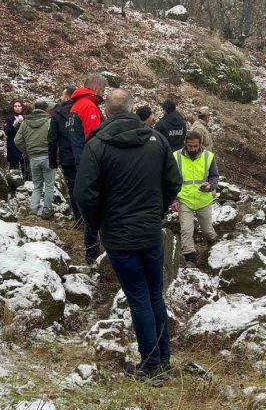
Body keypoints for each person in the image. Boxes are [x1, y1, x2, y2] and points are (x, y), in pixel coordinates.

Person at [75, 88, 182, 382]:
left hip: (120, 234)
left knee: (139, 298)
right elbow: (174, 182)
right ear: (133, 109)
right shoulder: (156, 140)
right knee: (153, 295)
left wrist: (97, 224)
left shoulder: (97, 144)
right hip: (148, 232)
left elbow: (84, 193)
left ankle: (152, 366)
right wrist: (156, 211)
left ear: (107, 111)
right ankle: (162, 360)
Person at [70, 73, 108, 262]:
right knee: (96, 207)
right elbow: (95, 140)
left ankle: (93, 249)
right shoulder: (88, 107)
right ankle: (94, 251)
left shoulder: (75, 106)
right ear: (96, 87)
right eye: (103, 89)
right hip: (91, 165)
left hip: (80, 162)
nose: (103, 93)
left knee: (90, 206)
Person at [171, 131, 219, 268]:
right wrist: (173, 200)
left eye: (195, 146)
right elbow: (170, 180)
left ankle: (214, 245)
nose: (192, 149)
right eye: (190, 146)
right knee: (186, 230)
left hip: (203, 200)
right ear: (185, 143)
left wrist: (210, 186)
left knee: (208, 230)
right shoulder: (175, 157)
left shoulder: (208, 157)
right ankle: (190, 259)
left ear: (200, 144)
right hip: (184, 200)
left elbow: (215, 176)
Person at [16, 101, 55, 219]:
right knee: (49, 185)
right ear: (46, 109)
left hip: (33, 158)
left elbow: (17, 141)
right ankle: (47, 212)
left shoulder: (25, 123)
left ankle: (33, 210)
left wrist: (27, 152)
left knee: (37, 185)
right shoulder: (49, 121)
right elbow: (54, 140)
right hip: (47, 157)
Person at [48, 85, 81, 221]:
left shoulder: (57, 114)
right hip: (84, 154)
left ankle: (79, 218)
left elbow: (52, 139)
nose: (60, 97)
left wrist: (52, 160)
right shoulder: (82, 109)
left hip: (67, 156)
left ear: (68, 96)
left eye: (62, 94)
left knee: (73, 187)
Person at [6, 99, 30, 180]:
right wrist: (13, 125)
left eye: (19, 106)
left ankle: (27, 185)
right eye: (15, 106)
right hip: (12, 147)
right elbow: (7, 132)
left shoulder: (26, 119)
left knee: (26, 168)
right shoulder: (9, 119)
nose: (17, 108)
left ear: (22, 107)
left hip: (24, 147)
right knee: (13, 170)